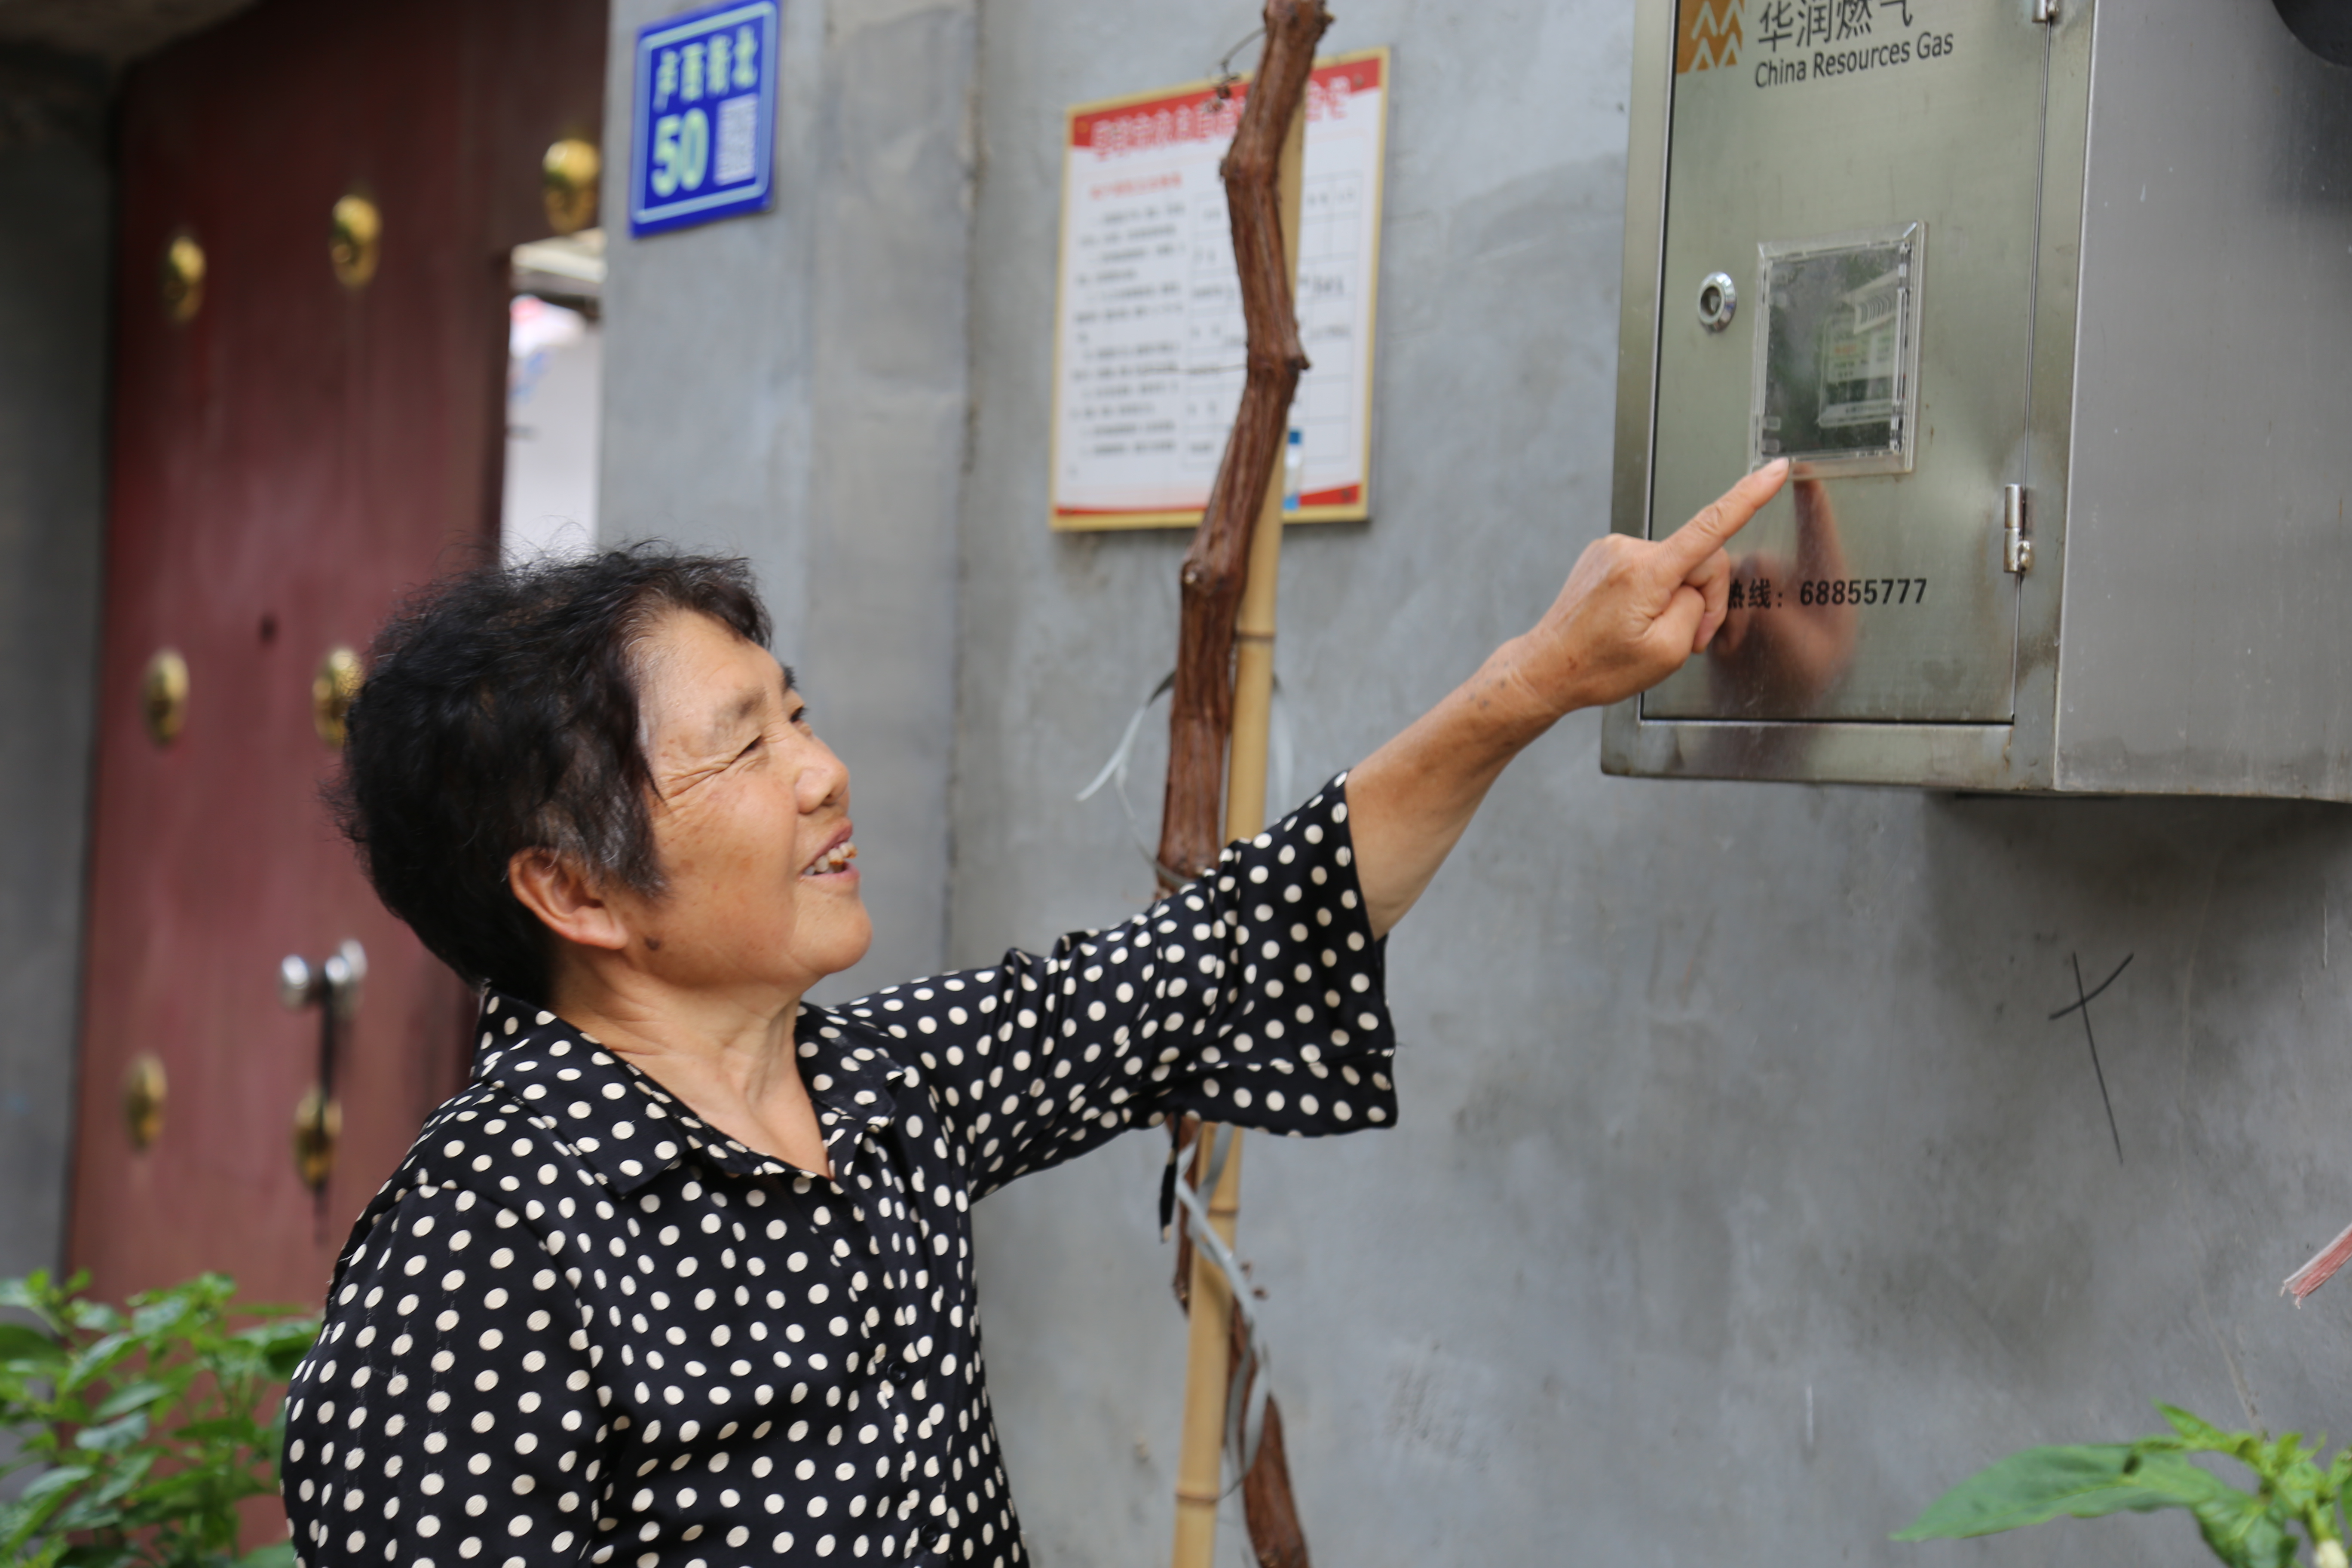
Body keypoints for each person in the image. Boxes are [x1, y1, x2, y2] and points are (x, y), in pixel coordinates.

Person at [279, 460, 1789, 1568]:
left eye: (794, 710)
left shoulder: (875, 1088)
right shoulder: (478, 1262)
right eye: (742, 749)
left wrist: (1539, 678)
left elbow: (1239, 944)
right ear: (580, 896)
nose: (822, 771)